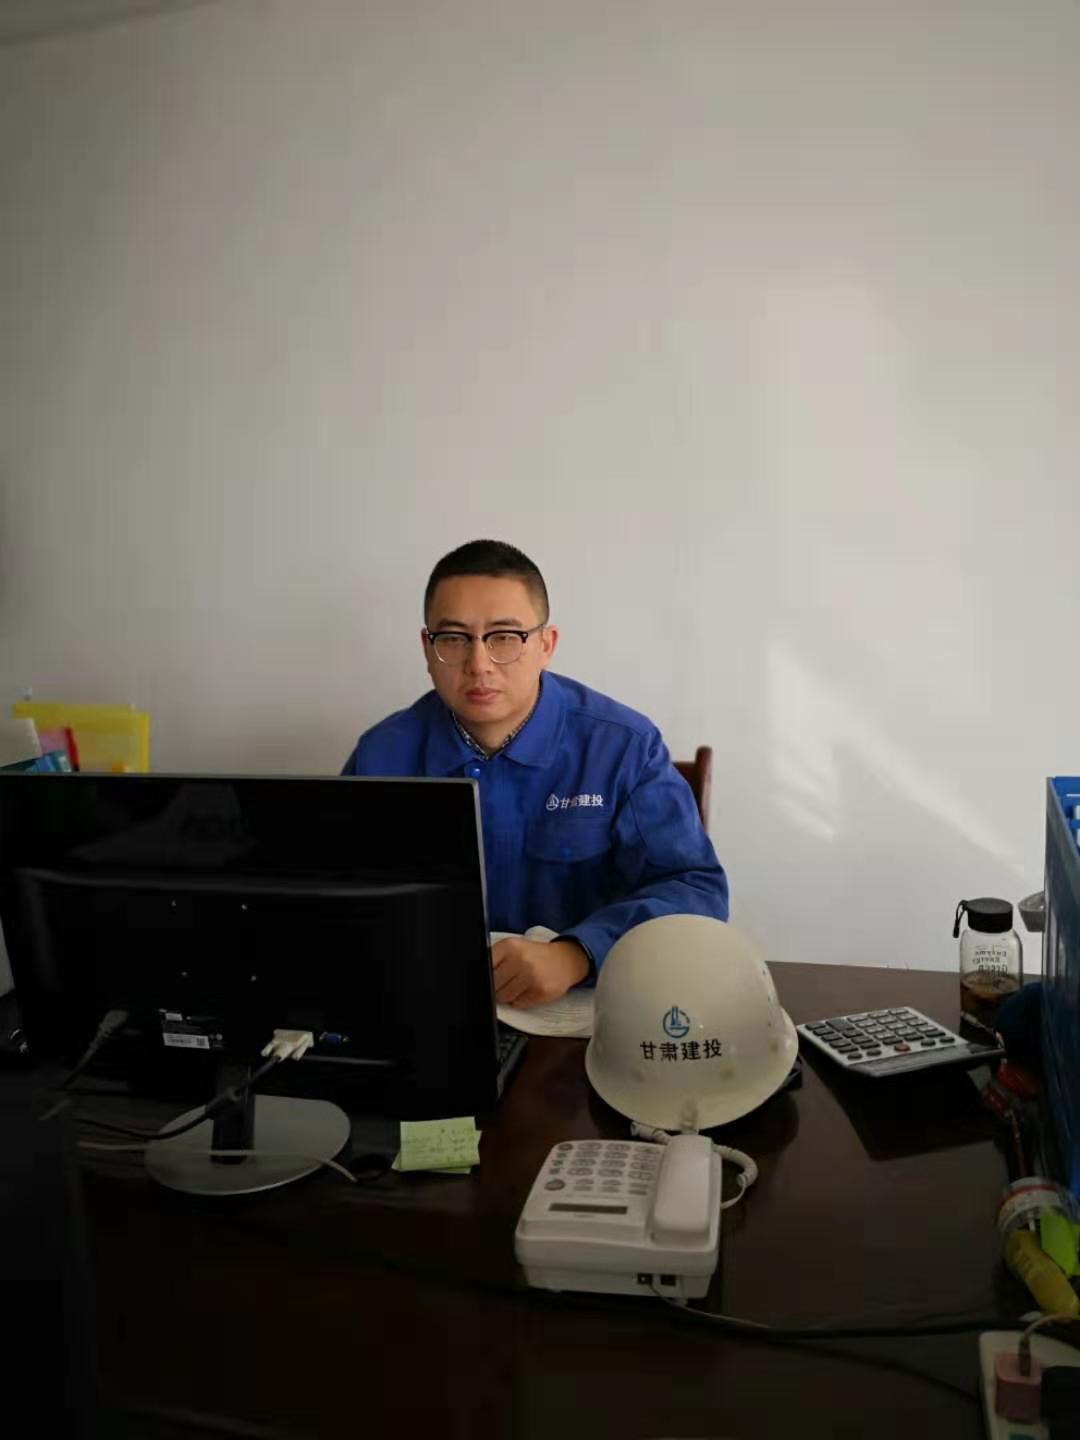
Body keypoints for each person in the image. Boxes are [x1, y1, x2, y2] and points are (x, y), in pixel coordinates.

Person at [342, 540, 728, 1008]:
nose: (479, 664)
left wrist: (578, 953)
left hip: (585, 1010)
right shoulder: (382, 756)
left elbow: (696, 888)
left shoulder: (621, 747)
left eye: (504, 636)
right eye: (454, 638)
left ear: (546, 645)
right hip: (430, 1003)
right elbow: (337, 894)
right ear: (428, 648)